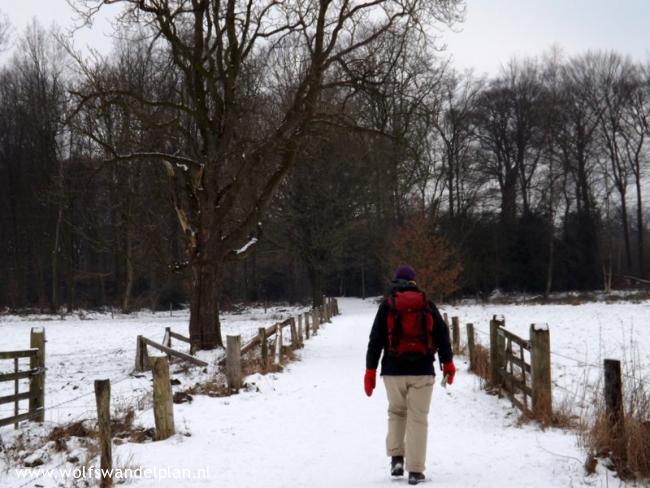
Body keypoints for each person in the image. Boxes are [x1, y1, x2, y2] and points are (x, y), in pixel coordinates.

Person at [364, 265, 456, 485]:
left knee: (396, 412)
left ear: (395, 282)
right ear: (414, 282)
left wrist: (370, 369)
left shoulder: (387, 305)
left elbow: (375, 339)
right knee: (418, 418)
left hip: (393, 371)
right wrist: (448, 362)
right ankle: (415, 470)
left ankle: (397, 459)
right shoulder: (426, 304)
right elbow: (442, 335)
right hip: (423, 371)